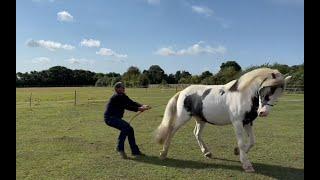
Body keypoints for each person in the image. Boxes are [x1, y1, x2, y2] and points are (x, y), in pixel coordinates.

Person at [104, 82, 150, 159]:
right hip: (110, 118)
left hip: (116, 118)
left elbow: (131, 102)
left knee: (130, 130)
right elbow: (126, 106)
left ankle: (135, 151)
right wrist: (139, 109)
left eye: (124, 87)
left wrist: (142, 105)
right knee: (126, 127)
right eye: (122, 87)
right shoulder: (116, 97)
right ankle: (119, 148)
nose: (124, 88)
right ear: (117, 89)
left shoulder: (123, 96)